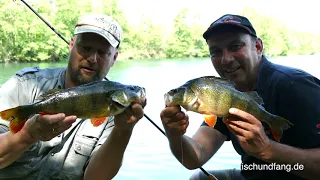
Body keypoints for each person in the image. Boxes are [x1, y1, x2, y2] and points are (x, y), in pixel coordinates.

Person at [160, 14, 320, 180]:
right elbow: (195, 156)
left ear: (258, 46)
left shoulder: (297, 86)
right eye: (216, 52)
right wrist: (174, 134)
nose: (226, 59)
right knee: (198, 178)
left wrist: (268, 150)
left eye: (235, 46)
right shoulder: (223, 93)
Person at [0, 14, 146, 180]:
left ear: (114, 58)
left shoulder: (117, 113)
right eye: (86, 48)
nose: (92, 58)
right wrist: (26, 136)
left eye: (103, 52)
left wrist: (123, 131)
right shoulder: (25, 84)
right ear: (71, 45)